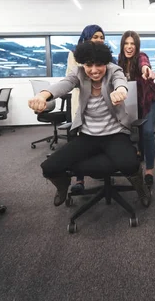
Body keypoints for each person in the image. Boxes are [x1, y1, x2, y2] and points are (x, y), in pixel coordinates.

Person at [29, 41, 151, 208]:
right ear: (82, 64)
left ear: (105, 63)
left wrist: (121, 91)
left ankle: (141, 187)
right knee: (49, 167)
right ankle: (63, 184)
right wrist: (43, 95)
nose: (94, 70)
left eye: (99, 64)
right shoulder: (78, 73)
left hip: (114, 133)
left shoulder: (113, 70)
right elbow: (64, 84)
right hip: (88, 136)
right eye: (89, 65)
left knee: (129, 164)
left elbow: (120, 81)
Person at [65, 24, 106, 194]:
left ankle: (101, 171)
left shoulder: (106, 56)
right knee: (79, 141)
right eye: (95, 37)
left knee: (103, 138)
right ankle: (79, 179)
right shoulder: (74, 56)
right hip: (82, 102)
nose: (99, 40)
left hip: (102, 103)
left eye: (102, 37)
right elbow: (71, 79)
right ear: (87, 37)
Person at [118, 30, 155, 186]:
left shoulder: (141, 56)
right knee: (133, 132)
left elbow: (144, 65)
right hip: (132, 102)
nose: (129, 47)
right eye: (126, 43)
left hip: (148, 100)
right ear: (122, 45)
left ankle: (149, 171)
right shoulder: (120, 62)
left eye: (132, 44)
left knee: (147, 132)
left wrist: (146, 71)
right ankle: (138, 155)